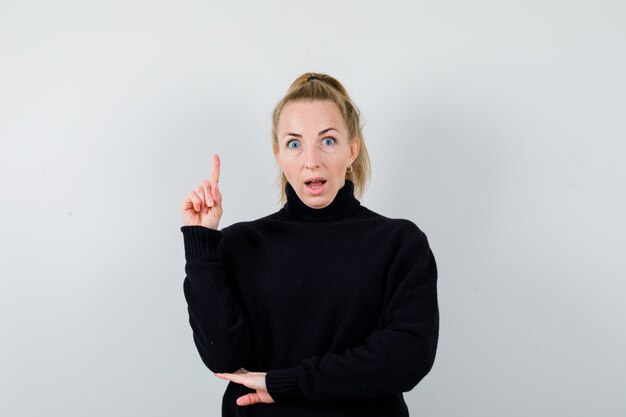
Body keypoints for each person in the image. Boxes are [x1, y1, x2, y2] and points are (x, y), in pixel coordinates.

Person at [180, 72, 439, 417]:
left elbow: (409, 356)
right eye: (294, 143)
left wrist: (289, 382)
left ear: (352, 149)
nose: (311, 160)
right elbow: (224, 357)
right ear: (278, 155)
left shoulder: (399, 243)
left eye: (328, 141)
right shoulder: (239, 244)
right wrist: (202, 240)